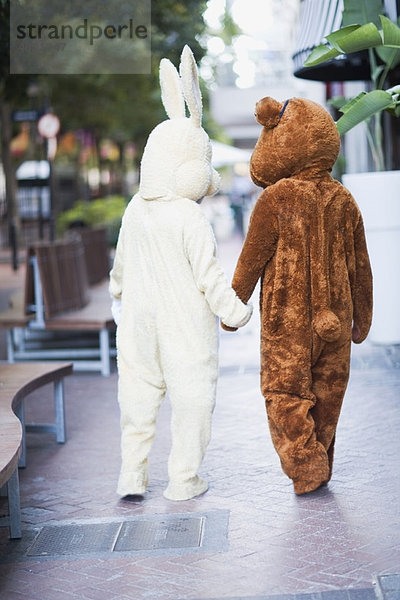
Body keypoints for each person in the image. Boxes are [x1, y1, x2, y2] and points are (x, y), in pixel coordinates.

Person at [109, 46, 252, 502]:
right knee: (193, 398)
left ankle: (132, 476)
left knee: (137, 398)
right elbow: (209, 278)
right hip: (183, 326)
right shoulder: (190, 218)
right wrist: (237, 311)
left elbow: (121, 265)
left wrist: (117, 298)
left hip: (136, 321)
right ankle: (183, 480)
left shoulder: (136, 209)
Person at [222, 96, 373, 494]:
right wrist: (363, 317)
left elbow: (251, 261)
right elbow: (360, 265)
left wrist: (232, 305)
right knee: (328, 393)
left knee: (283, 393)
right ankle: (319, 460)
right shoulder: (344, 199)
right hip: (336, 321)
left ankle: (307, 466)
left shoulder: (275, 198)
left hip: (286, 323)